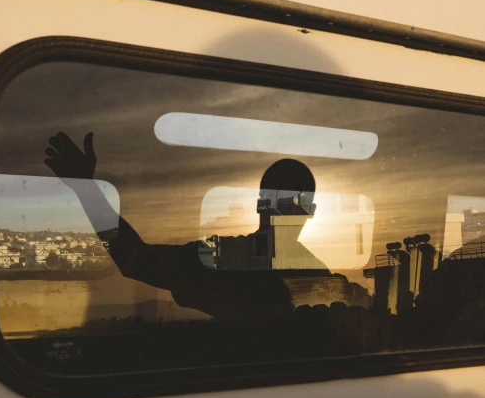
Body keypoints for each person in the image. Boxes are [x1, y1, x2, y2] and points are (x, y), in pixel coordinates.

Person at [44, 131, 329, 320]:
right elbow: (138, 261)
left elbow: (137, 261)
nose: (285, 213)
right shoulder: (226, 256)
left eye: (293, 203)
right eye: (281, 201)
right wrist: (87, 192)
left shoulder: (227, 256)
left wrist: (86, 191)